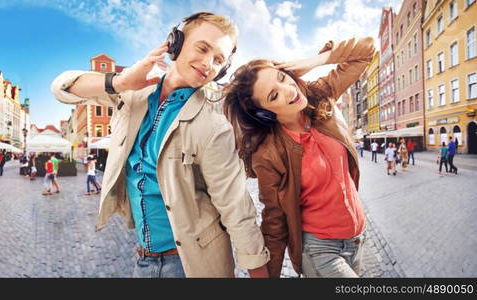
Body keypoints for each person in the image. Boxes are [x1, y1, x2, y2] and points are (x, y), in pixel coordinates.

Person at [51, 12, 269, 278]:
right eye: (202, 48)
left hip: (191, 264)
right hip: (143, 258)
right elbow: (61, 88)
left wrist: (259, 274)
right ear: (174, 43)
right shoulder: (133, 92)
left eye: (218, 60)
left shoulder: (214, 125)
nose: (208, 63)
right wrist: (120, 81)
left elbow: (235, 205)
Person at [223, 36, 374, 277]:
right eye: (273, 96)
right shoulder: (268, 153)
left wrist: (314, 61)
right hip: (319, 251)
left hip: (357, 240)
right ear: (264, 113)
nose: (288, 90)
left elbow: (366, 51)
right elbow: (274, 220)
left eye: (282, 78)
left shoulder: (319, 98)